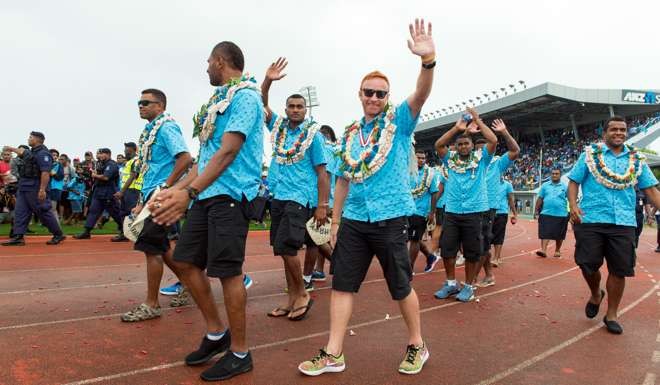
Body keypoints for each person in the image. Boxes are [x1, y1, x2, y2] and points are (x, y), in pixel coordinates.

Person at [298, 18, 435, 376]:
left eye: (380, 93)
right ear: (359, 95)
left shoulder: (399, 123)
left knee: (400, 286)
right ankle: (333, 352)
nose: (374, 97)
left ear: (387, 98)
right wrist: (335, 222)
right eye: (368, 92)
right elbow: (342, 180)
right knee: (343, 285)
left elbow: (420, 95)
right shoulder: (348, 136)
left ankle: (417, 345)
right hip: (356, 220)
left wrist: (427, 61)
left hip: (390, 218)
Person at [150, 41, 262, 381]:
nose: (206, 68)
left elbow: (228, 153)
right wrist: (176, 191)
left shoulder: (246, 96)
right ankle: (217, 333)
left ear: (220, 61)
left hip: (231, 194)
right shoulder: (216, 102)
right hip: (208, 194)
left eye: (208, 62)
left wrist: (190, 193)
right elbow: (206, 159)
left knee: (228, 272)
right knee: (183, 261)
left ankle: (240, 353)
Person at [568, 116, 660, 334]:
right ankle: (595, 294)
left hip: (624, 222)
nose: (619, 133)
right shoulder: (590, 155)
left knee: (619, 269)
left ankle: (612, 314)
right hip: (591, 219)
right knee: (587, 263)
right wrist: (572, 205)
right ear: (605, 133)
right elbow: (574, 181)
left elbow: (651, 191)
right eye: (614, 129)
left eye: (623, 129)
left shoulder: (637, 159)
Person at [118, 88, 194, 320]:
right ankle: (190, 283)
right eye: (139, 102)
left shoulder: (167, 127)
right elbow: (150, 169)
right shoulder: (150, 130)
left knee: (152, 248)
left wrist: (167, 187)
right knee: (159, 247)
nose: (140, 106)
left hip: (161, 197)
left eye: (146, 102)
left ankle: (152, 304)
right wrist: (142, 201)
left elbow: (185, 158)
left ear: (160, 106)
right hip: (152, 196)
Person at [261, 56, 330, 307]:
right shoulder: (278, 126)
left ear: (305, 110)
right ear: (286, 108)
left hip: (301, 197)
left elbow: (323, 173)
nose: (295, 110)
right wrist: (268, 80)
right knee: (281, 250)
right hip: (278, 196)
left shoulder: (314, 136)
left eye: (300, 106)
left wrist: (322, 205)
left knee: (289, 248)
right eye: (291, 106)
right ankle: (292, 299)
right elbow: (262, 103)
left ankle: (302, 294)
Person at [433, 107, 498, 303]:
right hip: (452, 211)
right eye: (459, 144)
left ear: (472, 146)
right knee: (447, 249)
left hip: (474, 212)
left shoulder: (482, 160)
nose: (462, 147)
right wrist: (457, 127)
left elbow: (493, 140)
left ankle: (469, 286)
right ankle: (451, 283)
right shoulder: (449, 160)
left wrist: (478, 119)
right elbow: (439, 144)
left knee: (472, 251)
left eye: (466, 143)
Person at [1, 132, 66, 246]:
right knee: (20, 212)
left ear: (37, 139)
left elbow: (45, 173)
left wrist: (42, 190)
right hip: (24, 186)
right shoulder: (32, 152)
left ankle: (58, 234)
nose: (28, 139)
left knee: (43, 211)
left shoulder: (43, 154)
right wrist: (10, 148)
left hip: (35, 187)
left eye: (30, 137)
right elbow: (22, 152)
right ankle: (18, 237)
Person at [73, 148, 123, 239]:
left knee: (115, 212)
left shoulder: (111, 164)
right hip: (98, 191)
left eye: (101, 153)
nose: (99, 155)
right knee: (93, 211)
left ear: (108, 154)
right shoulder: (100, 164)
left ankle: (124, 230)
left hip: (108, 192)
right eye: (98, 154)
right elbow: (95, 176)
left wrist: (95, 175)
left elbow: (106, 177)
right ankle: (86, 231)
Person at [477, 176, 517, 286]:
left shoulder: (507, 185)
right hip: (487, 212)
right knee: (486, 238)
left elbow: (510, 199)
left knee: (499, 236)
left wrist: (514, 213)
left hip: (501, 212)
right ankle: (486, 272)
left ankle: (496, 257)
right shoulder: (486, 181)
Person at [312, 124, 339, 281]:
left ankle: (340, 264)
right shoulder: (335, 150)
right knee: (322, 236)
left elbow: (326, 175)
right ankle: (319, 270)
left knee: (318, 238)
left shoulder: (326, 150)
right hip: (330, 199)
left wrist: (323, 203)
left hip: (326, 200)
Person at [408, 149, 439, 273]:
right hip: (406, 210)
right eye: (418, 158)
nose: (421, 160)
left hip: (420, 212)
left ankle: (409, 268)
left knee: (415, 240)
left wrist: (432, 213)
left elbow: (434, 193)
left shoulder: (431, 174)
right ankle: (430, 256)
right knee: (411, 237)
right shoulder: (407, 171)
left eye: (423, 158)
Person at [534, 167, 569, 258]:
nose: (554, 175)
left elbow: (570, 199)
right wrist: (536, 211)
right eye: (553, 173)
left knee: (559, 234)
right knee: (545, 232)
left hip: (561, 214)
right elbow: (540, 198)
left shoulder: (565, 187)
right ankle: (543, 250)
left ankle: (557, 250)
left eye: (556, 173)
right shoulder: (545, 186)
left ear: (560, 175)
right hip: (546, 213)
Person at [112, 142, 142, 242]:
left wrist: (122, 192)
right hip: (127, 190)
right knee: (124, 212)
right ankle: (125, 234)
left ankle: (136, 234)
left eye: (127, 149)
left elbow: (133, 176)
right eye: (125, 149)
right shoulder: (129, 162)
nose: (125, 151)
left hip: (133, 190)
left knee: (131, 213)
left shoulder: (136, 161)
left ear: (133, 149)